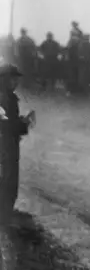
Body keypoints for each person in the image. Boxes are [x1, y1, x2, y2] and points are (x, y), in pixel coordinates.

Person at [0, 64, 33, 220]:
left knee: (6, 177)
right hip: (6, 145)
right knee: (9, 178)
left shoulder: (6, 96)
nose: (16, 82)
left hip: (6, 143)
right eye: (13, 79)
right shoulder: (5, 98)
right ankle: (6, 212)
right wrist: (24, 123)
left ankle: (5, 210)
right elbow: (6, 124)